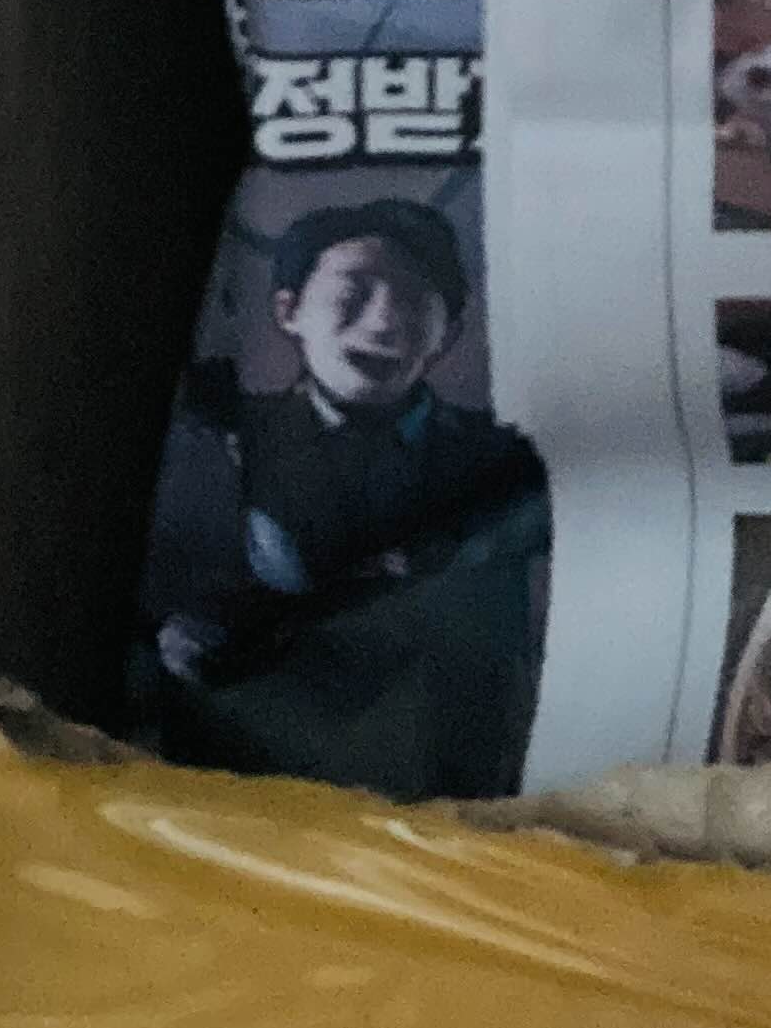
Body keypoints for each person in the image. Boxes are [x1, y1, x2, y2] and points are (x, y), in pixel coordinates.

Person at [141, 198, 547, 799]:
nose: (383, 323)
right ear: (289, 310)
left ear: (450, 334)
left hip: (462, 801)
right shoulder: (209, 437)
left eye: (414, 302)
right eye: (353, 292)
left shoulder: (511, 464)